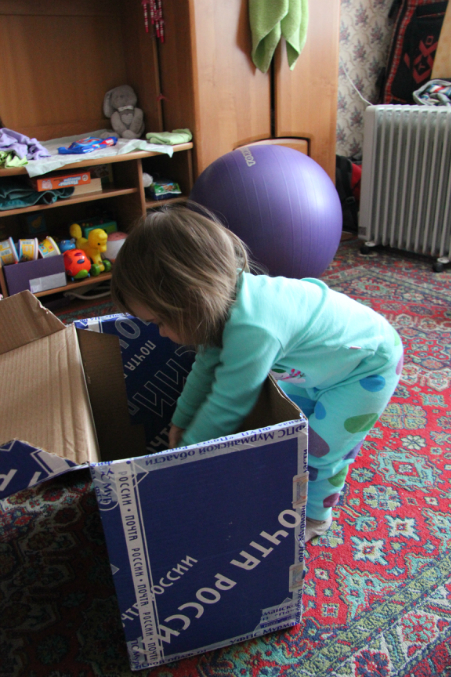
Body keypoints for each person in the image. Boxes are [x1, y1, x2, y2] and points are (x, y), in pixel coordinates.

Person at [111, 204, 403, 541]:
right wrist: (180, 422)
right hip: (314, 368)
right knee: (294, 433)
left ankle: (316, 516)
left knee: (321, 450)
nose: (161, 333)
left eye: (160, 322)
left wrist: (183, 462)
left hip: (366, 369)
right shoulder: (219, 306)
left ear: (191, 299)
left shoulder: (254, 328)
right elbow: (204, 369)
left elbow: (228, 404)